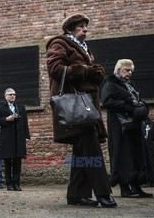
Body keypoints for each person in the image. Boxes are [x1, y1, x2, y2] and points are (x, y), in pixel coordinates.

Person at [46, 13, 117, 208]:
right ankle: (103, 193)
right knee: (92, 151)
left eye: (86, 25)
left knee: (81, 153)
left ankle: (76, 195)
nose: (85, 29)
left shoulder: (84, 48)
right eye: (80, 26)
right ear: (69, 29)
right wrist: (86, 71)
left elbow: (86, 74)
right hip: (75, 108)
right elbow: (55, 69)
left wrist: (97, 73)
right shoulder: (59, 43)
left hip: (86, 108)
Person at [101, 59, 152, 198]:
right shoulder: (110, 83)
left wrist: (141, 107)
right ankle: (125, 188)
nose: (129, 73)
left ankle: (136, 186)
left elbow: (136, 101)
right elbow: (106, 101)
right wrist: (128, 106)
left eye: (131, 70)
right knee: (123, 154)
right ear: (118, 71)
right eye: (126, 70)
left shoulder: (130, 85)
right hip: (119, 125)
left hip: (134, 124)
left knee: (136, 154)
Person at [0, 88, 30, 191]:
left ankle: (16, 183)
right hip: (7, 138)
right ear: (5, 96)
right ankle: (9, 183)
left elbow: (25, 123)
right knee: (8, 161)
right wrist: (6, 119)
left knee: (17, 161)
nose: (13, 96)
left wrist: (26, 136)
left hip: (19, 138)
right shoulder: (1, 108)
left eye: (14, 94)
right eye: (10, 94)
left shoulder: (21, 107)